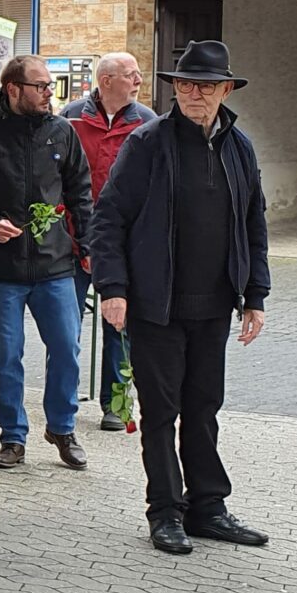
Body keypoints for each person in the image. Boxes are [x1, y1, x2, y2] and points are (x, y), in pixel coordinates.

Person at [91, 40, 270, 555]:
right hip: (155, 304)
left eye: (207, 85)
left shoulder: (240, 147)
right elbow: (109, 217)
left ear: (226, 90)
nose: (195, 93)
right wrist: (114, 289)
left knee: (204, 408)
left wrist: (255, 294)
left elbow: (253, 225)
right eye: (187, 84)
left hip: (215, 304)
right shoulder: (148, 142)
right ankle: (165, 512)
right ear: (175, 89)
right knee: (162, 412)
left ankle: (207, 508)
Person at [0, 55, 93, 471]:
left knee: (67, 350)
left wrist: (86, 246)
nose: (49, 93)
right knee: (8, 355)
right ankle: (13, 437)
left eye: (50, 86)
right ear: (13, 89)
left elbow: (80, 193)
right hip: (3, 269)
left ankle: (62, 428)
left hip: (56, 265)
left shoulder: (62, 132)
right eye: (41, 86)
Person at [60, 52, 157, 431]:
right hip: (72, 239)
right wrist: (77, 236)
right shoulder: (71, 117)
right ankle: (63, 404)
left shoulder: (148, 123)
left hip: (124, 245)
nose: (137, 81)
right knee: (66, 327)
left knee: (120, 324)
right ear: (106, 80)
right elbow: (60, 178)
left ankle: (115, 404)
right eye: (130, 75)